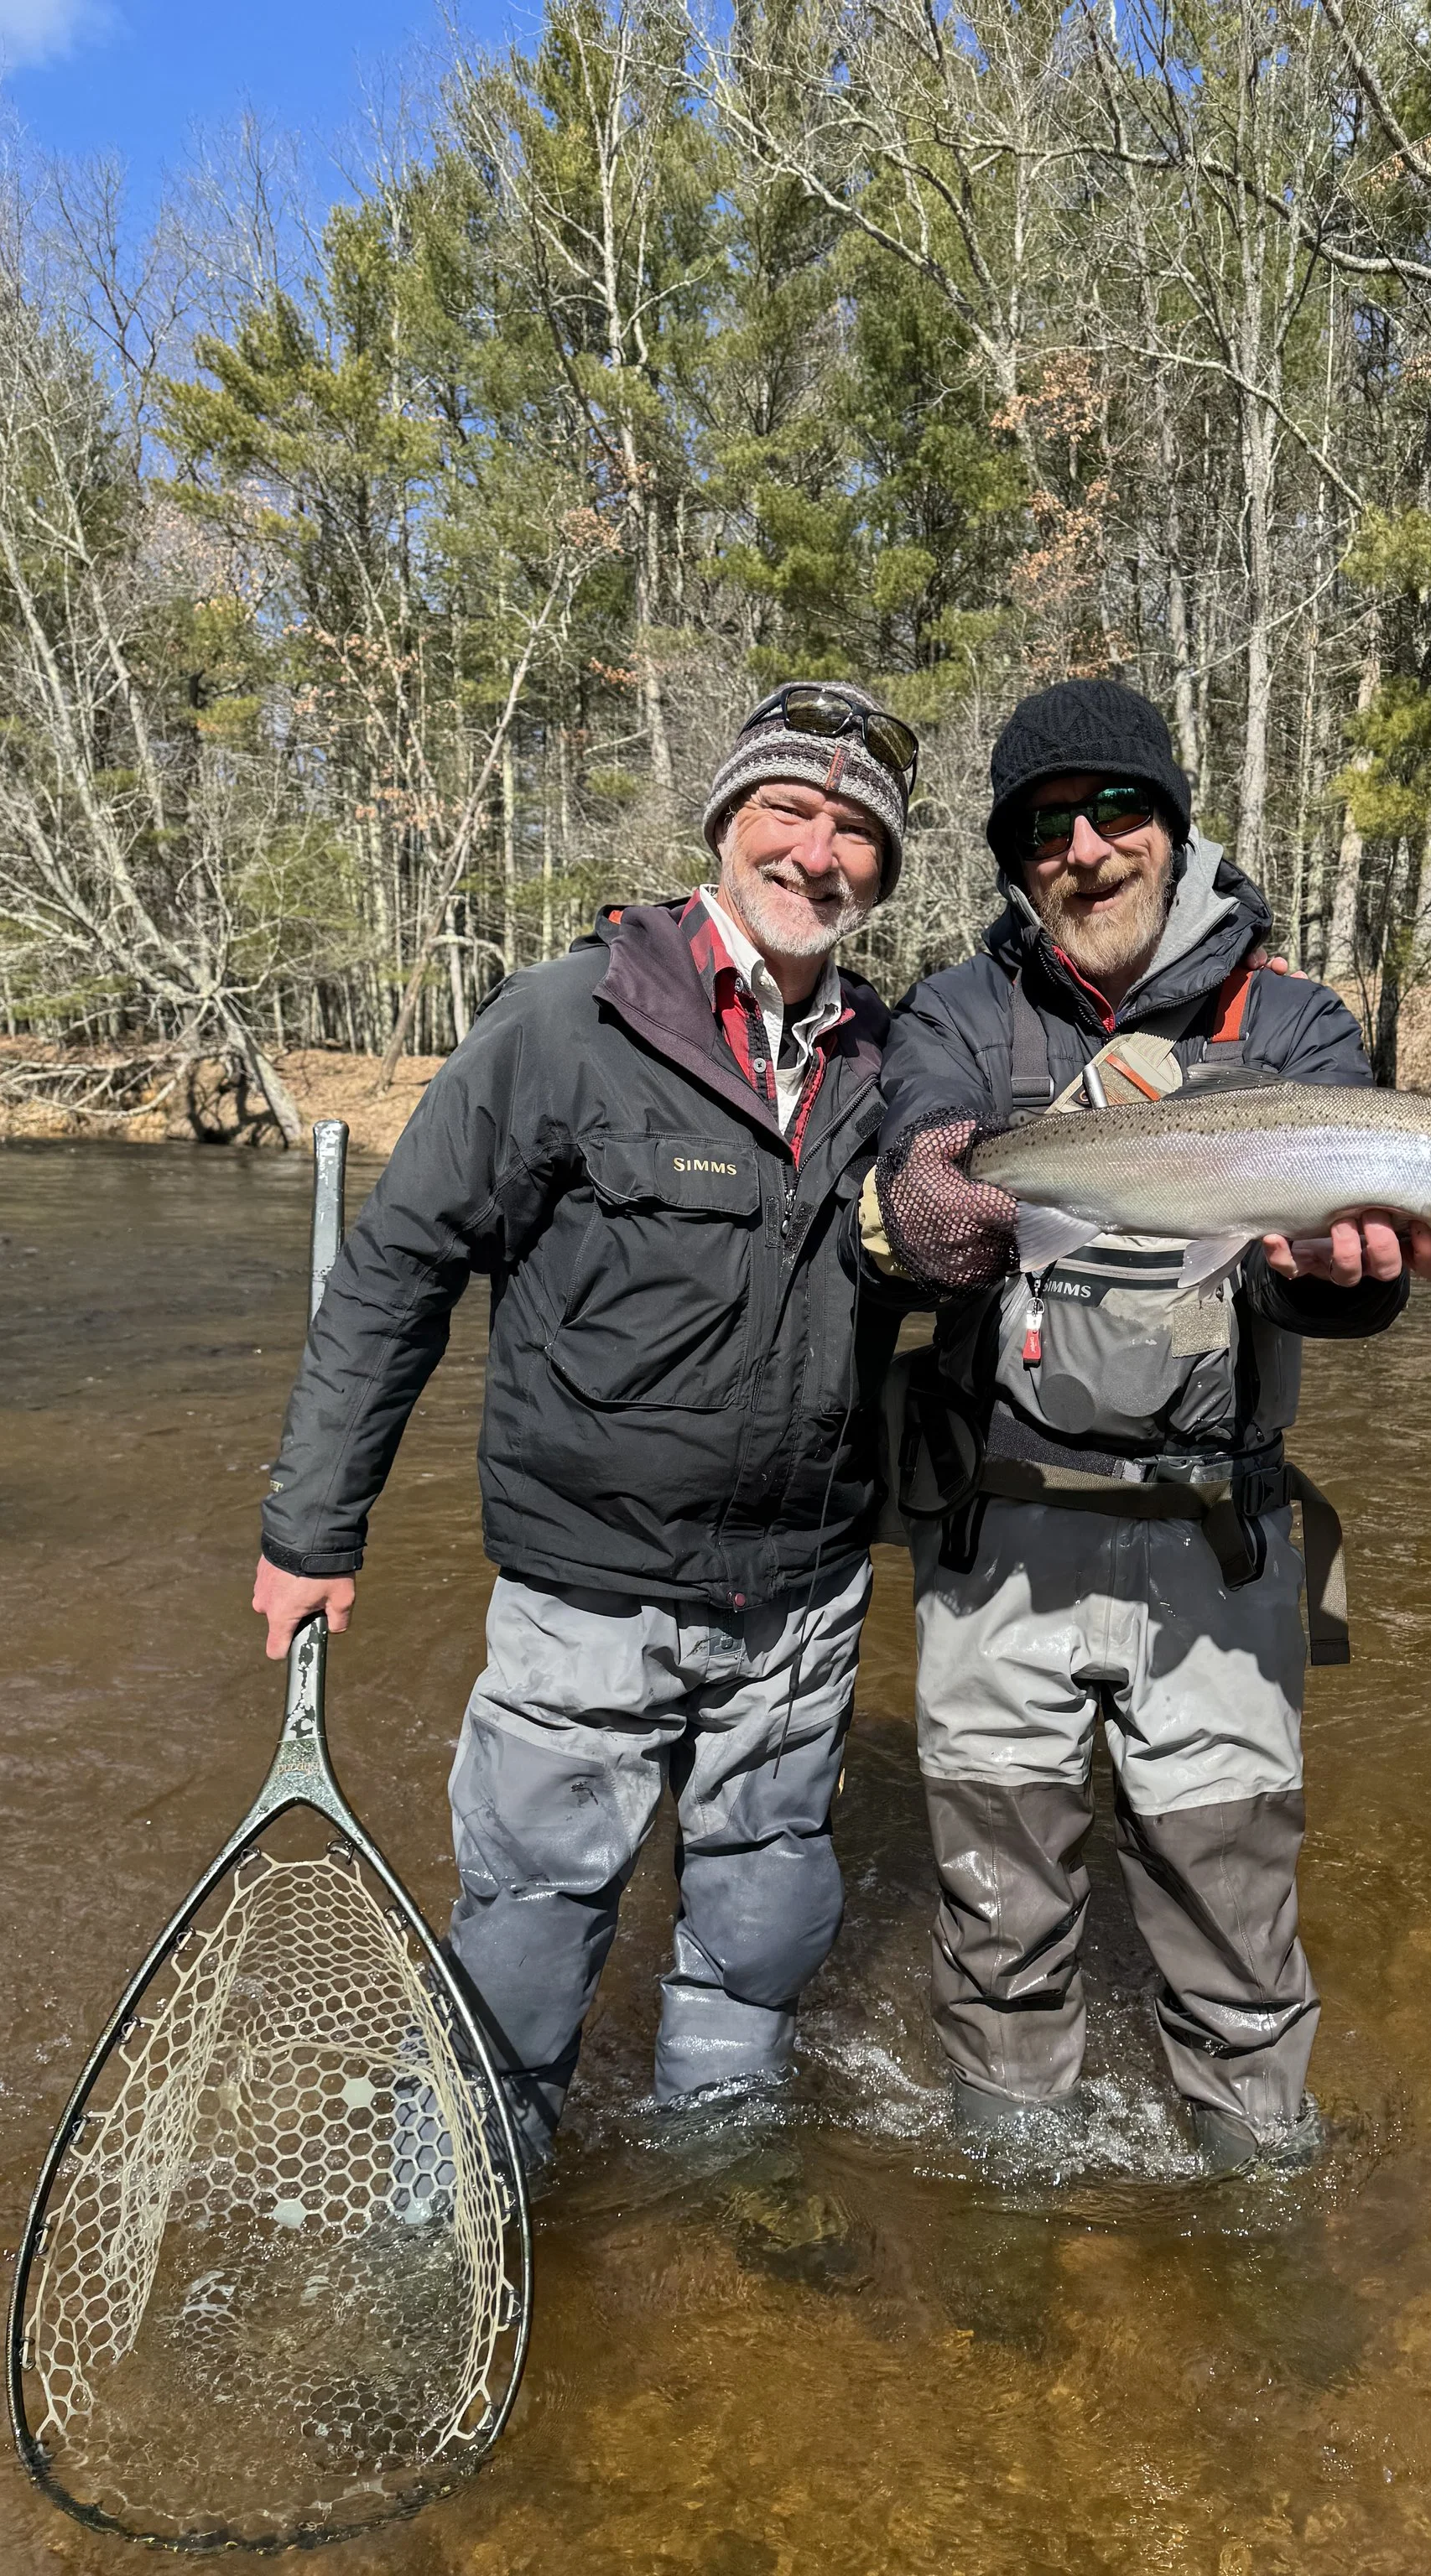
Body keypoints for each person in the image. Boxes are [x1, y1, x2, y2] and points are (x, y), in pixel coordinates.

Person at [252, 683, 919, 2168]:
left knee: (764, 1919)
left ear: (885, 868)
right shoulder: (569, 1018)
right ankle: (476, 2201)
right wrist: (312, 1528)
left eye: (857, 831)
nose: (818, 853)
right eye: (789, 812)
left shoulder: (892, 1058)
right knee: (532, 1932)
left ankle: (714, 2189)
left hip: (802, 1595)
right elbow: (400, 1269)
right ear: (726, 826)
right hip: (585, 1593)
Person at [872, 678, 1431, 2169]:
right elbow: (923, 1191)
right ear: (1018, 860)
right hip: (1002, 1533)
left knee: (1235, 1916)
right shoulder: (957, 1007)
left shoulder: (1298, 1020)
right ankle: (1007, 2203)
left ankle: (1259, 2201)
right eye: (1046, 826)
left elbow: (1348, 1297)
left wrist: (1341, 1273)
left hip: (1218, 1541)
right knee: (999, 1925)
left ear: (1175, 826)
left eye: (1117, 810)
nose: (1085, 848)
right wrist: (950, 1190)